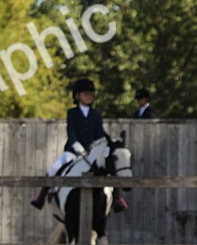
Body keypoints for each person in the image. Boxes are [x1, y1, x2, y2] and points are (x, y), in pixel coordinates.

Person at [30, 78, 128, 212]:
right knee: (55, 167)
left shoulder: (96, 115)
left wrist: (99, 147)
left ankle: (117, 198)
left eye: (91, 94)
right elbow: (71, 132)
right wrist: (77, 146)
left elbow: (99, 134)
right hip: (73, 151)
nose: (89, 96)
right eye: (86, 94)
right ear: (77, 96)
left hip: (92, 152)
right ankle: (41, 197)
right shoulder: (72, 113)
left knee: (109, 169)